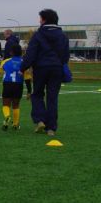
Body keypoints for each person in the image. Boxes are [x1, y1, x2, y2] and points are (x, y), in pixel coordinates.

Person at [20, 9, 69, 137]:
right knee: (52, 98)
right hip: (56, 69)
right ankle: (51, 128)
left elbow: (31, 54)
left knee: (37, 94)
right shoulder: (63, 36)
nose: (39, 21)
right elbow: (66, 56)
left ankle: (40, 120)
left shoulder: (38, 35)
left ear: (45, 20)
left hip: (41, 68)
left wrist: (23, 68)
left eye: (40, 18)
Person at [0, 44, 25, 131]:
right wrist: (29, 90)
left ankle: (7, 116)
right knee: (16, 105)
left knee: (6, 104)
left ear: (11, 52)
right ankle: (15, 124)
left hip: (8, 84)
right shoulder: (23, 62)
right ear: (21, 52)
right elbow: (27, 77)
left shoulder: (6, 61)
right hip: (18, 85)